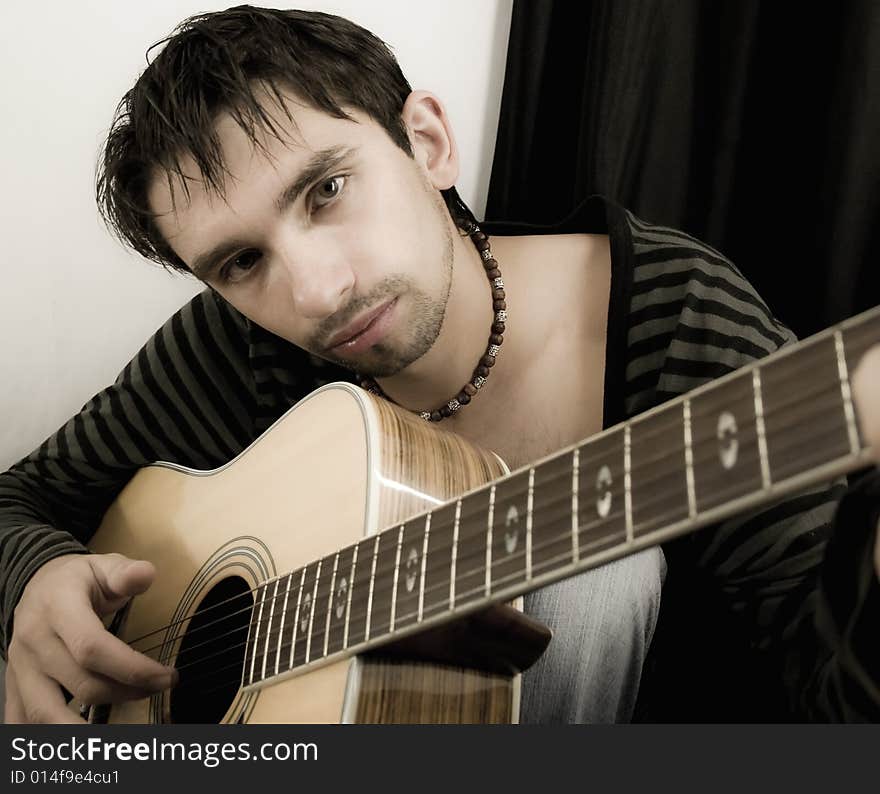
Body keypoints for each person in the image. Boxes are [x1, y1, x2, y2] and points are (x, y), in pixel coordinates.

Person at [1, 5, 877, 724]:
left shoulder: (673, 318)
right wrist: (34, 579)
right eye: (241, 262)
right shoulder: (235, 349)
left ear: (426, 142)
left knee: (601, 580)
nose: (316, 290)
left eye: (327, 190)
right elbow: (17, 498)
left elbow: (828, 694)